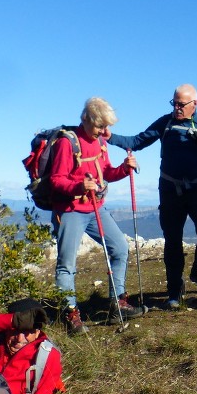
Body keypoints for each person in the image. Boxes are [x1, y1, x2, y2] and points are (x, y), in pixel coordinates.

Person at [108, 85, 197, 309]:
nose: (177, 108)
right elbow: (137, 142)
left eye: (181, 104)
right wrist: (110, 137)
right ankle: (174, 291)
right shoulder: (166, 123)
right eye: (174, 103)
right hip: (170, 190)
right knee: (172, 240)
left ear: (195, 104)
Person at [49, 97, 141, 334]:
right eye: (101, 126)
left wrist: (124, 168)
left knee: (120, 248)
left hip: (96, 207)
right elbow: (56, 181)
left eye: (107, 126)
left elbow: (106, 173)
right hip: (70, 211)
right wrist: (79, 187)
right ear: (86, 119)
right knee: (67, 264)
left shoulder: (100, 141)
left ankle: (117, 303)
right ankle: (71, 314)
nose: (105, 131)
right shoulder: (66, 143)